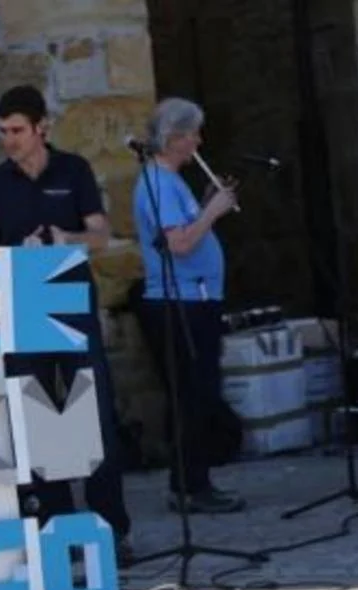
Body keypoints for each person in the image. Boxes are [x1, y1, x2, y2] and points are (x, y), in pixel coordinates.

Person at [0, 85, 136, 568]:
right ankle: (57, 530)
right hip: (23, 307)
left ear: (42, 127)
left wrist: (66, 239)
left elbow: (100, 234)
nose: (9, 140)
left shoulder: (73, 170)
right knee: (39, 418)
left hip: (72, 305)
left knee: (93, 414)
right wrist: (10, 253)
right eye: (3, 132)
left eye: (17, 130)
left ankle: (111, 530)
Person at [132, 97, 246, 514]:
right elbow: (178, 243)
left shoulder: (172, 181)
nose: (198, 141)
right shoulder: (158, 183)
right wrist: (213, 212)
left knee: (200, 392)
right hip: (180, 300)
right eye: (193, 133)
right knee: (194, 395)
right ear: (174, 137)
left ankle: (195, 481)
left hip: (196, 297)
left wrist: (204, 202)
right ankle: (189, 486)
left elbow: (182, 226)